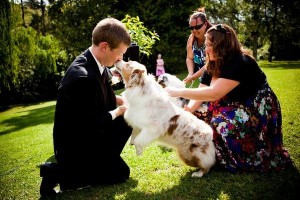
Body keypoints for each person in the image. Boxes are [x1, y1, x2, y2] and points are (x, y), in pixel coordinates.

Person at [165, 24, 292, 173]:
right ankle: (209, 154)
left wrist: (179, 92)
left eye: (210, 45)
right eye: (206, 45)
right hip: (232, 101)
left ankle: (227, 157)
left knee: (220, 124)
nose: (206, 49)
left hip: (255, 105)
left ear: (222, 46)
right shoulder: (211, 63)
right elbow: (202, 91)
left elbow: (214, 93)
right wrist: (187, 110)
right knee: (196, 115)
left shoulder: (240, 62)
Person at [39, 18, 133, 196]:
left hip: (91, 133)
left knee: (130, 118)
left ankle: (104, 162)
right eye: (119, 53)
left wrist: (119, 100)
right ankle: (57, 172)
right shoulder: (82, 77)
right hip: (77, 145)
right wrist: (119, 110)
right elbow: (92, 122)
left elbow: (101, 94)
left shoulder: (96, 62)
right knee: (120, 174)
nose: (121, 59)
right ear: (104, 46)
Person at [183, 7, 212, 84]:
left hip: (217, 78)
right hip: (204, 79)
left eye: (197, 27)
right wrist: (190, 73)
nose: (194, 30)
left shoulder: (213, 37)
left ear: (205, 24)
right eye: (191, 28)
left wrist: (193, 77)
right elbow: (189, 58)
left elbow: (209, 64)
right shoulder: (191, 38)